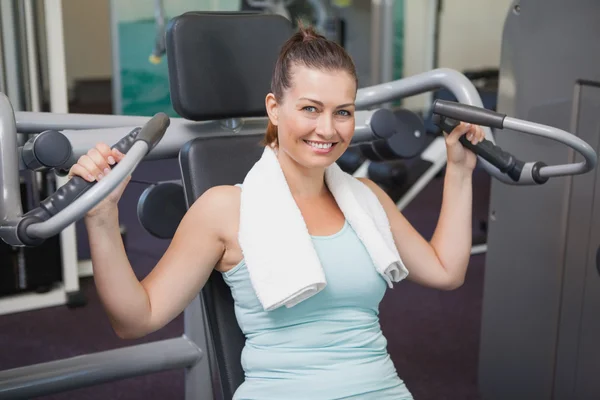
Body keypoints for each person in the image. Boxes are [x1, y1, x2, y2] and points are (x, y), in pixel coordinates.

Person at [70, 25, 484, 400]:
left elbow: (445, 270)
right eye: (310, 108)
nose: (328, 129)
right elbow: (136, 319)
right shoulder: (226, 209)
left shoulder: (365, 197)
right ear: (274, 108)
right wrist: (102, 216)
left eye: (342, 112)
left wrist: (461, 171)